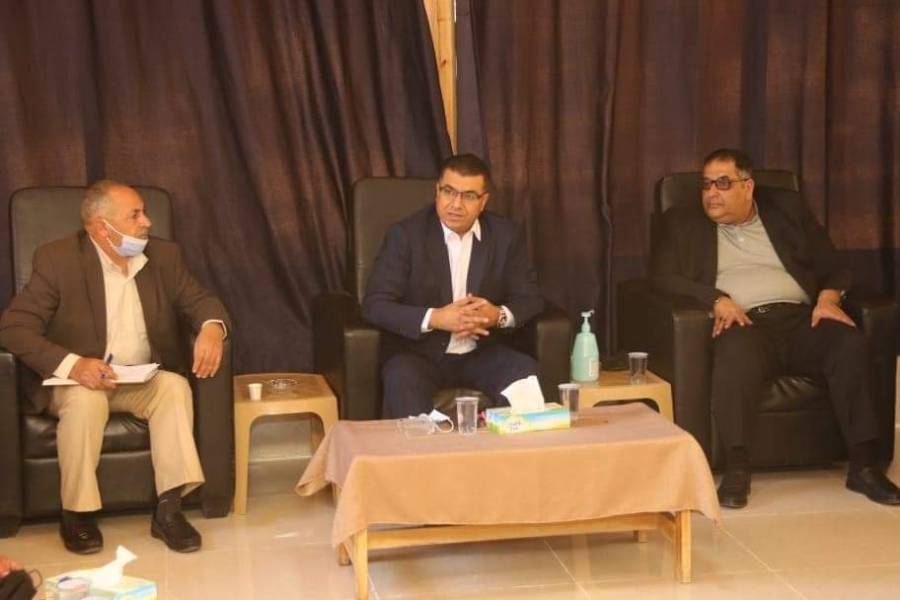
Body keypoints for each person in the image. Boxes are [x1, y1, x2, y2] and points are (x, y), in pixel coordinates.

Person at [651, 148, 900, 509]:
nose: (711, 193)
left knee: (848, 343)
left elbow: (833, 265)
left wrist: (828, 298)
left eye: (723, 183)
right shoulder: (682, 221)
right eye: (706, 184)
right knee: (735, 352)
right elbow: (662, 278)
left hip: (801, 318)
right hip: (744, 321)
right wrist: (715, 299)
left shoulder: (788, 210)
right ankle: (737, 468)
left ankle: (864, 466)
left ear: (747, 186)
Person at [0, 180, 230, 553]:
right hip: (76, 382)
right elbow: (14, 328)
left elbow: (201, 300)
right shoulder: (58, 260)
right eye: (134, 215)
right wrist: (74, 365)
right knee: (86, 400)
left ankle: (169, 510)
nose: (147, 222)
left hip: (138, 379)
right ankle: (77, 515)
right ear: (102, 228)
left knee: (174, 387)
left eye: (144, 212)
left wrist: (212, 328)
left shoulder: (163, 257)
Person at [362, 154, 544, 418]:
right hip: (419, 355)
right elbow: (375, 305)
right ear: (437, 191)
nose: (456, 204)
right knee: (401, 378)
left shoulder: (506, 236)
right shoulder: (406, 235)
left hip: (482, 352)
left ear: (483, 202)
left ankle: (506, 446)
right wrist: (437, 318)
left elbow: (530, 298)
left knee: (524, 373)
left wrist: (497, 315)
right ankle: (422, 447)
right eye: (449, 192)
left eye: (468, 196)